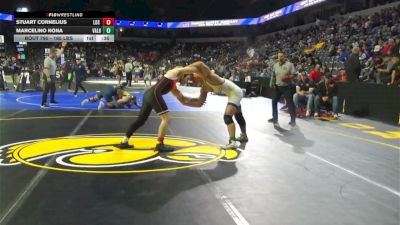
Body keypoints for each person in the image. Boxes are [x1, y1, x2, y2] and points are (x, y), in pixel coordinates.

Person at [117, 66, 200, 152]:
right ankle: (159, 144)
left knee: (140, 121)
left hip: (147, 95)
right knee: (167, 118)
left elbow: (182, 99)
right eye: (188, 78)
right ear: (184, 75)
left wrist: (194, 99)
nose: (187, 81)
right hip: (154, 95)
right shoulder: (174, 73)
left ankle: (124, 141)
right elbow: (184, 68)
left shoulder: (173, 84)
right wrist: (202, 74)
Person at [181, 61, 248, 149]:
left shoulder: (210, 77)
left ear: (197, 77)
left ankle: (233, 142)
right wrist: (185, 103)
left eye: (193, 80)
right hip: (231, 92)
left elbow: (200, 64)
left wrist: (182, 71)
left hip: (235, 93)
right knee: (238, 115)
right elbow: (199, 104)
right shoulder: (204, 88)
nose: (193, 83)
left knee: (227, 117)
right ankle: (244, 135)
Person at [268, 52, 297, 127]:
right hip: (277, 87)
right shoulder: (275, 65)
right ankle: (275, 119)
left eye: (282, 56)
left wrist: (287, 77)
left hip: (286, 87)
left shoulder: (289, 65)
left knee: (290, 103)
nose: (280, 58)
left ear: (284, 57)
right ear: (277, 57)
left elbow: (295, 75)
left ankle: (293, 120)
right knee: (274, 102)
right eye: (279, 56)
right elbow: (273, 75)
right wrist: (271, 83)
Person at [41, 42, 67, 108]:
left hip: (52, 76)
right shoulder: (47, 60)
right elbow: (45, 69)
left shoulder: (53, 58)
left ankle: (52, 101)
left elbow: (60, 52)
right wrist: (48, 77)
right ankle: (43, 103)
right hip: (48, 76)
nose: (56, 54)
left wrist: (63, 46)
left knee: (53, 88)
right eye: (55, 53)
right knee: (46, 90)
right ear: (51, 53)